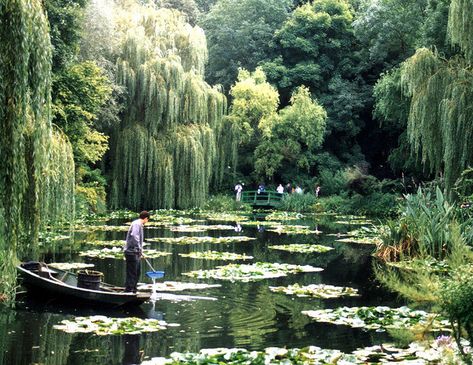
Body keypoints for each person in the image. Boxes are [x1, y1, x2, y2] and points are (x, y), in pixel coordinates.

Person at [124, 210, 150, 292]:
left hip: (136, 252)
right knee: (132, 272)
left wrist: (140, 250)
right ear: (146, 218)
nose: (147, 221)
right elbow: (134, 236)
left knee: (137, 272)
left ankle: (134, 288)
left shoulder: (140, 225)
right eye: (147, 220)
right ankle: (129, 289)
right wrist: (139, 248)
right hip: (131, 252)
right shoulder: (136, 224)